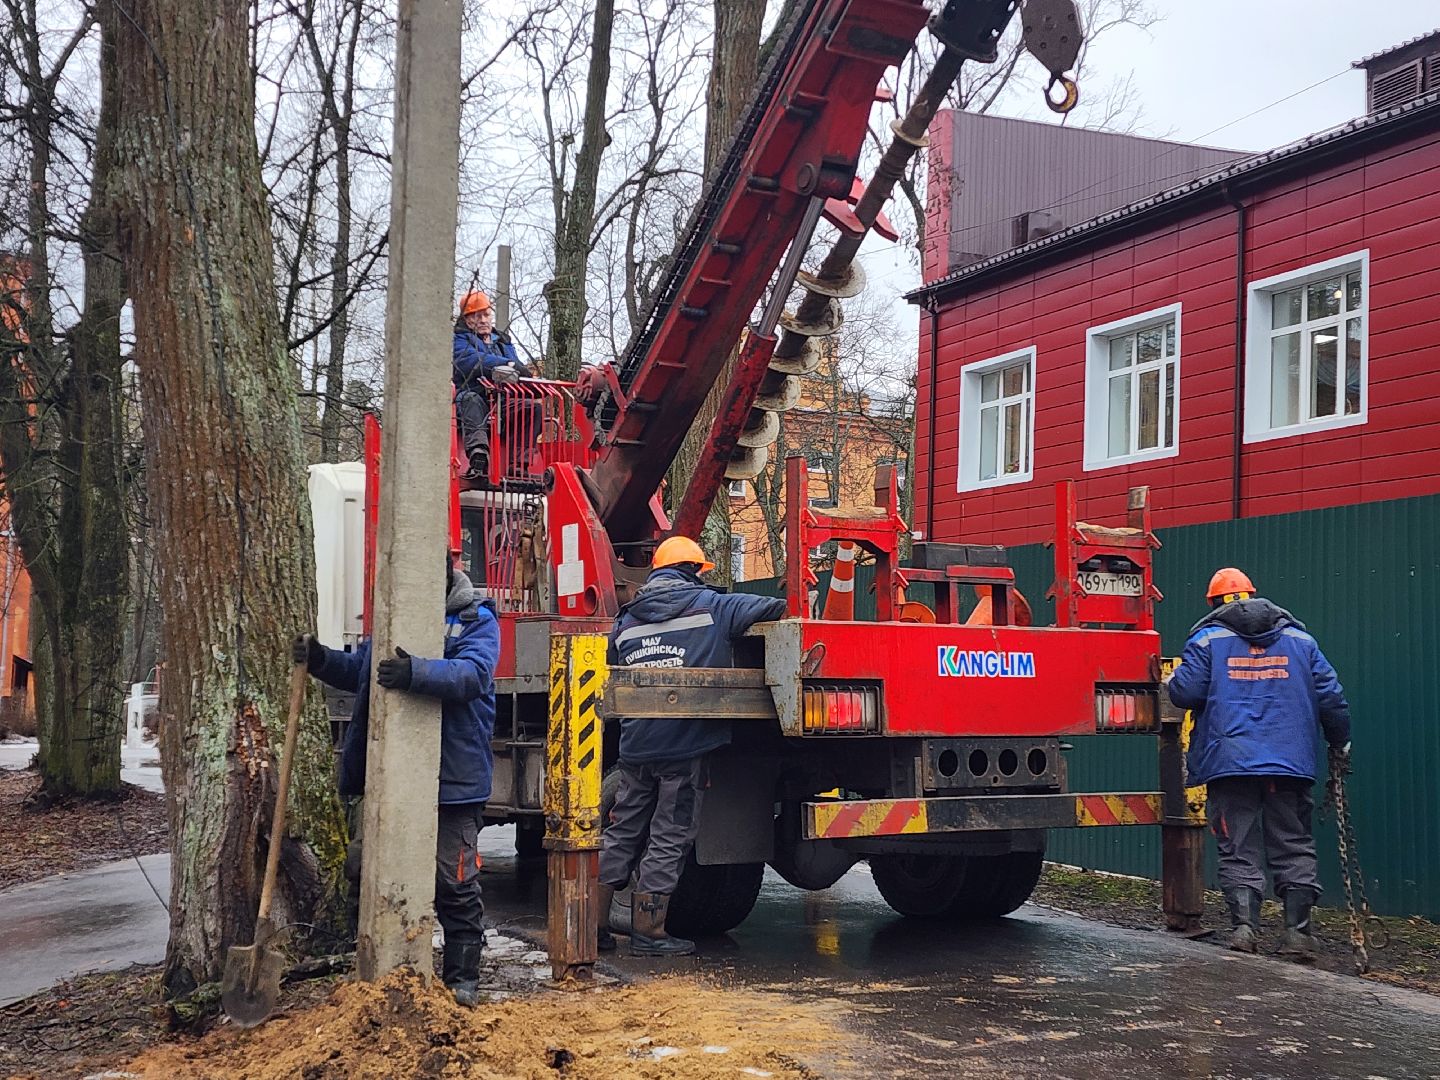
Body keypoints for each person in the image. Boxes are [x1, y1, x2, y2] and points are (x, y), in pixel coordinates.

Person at [295, 559, 499, 1004]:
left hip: (454, 780)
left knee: (454, 882)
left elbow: (473, 675)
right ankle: (366, 969)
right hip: (388, 778)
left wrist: (416, 674)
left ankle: (462, 980)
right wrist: (322, 661)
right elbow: (362, 670)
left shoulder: (476, 620)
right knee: (364, 871)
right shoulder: (390, 620)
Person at [596, 536, 787, 957]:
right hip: (682, 751)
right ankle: (649, 932)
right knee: (668, 836)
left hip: (635, 747)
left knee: (623, 831)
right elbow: (773, 608)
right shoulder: (715, 607)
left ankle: (596, 926)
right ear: (695, 570)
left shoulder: (626, 621)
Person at [1168, 567, 1351, 961]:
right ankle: (1298, 935)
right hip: (1289, 762)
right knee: (1293, 843)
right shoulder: (1302, 641)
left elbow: (1184, 692)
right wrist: (1339, 742)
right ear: (1254, 594)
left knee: (1238, 846)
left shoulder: (1207, 640)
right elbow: (1332, 697)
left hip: (1231, 763)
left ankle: (1245, 930)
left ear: (1214, 603)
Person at [452, 290, 529, 481]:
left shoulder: (502, 341)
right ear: (467, 319)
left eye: (486, 314)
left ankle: (519, 463)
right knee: (470, 400)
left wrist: (520, 371)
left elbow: (515, 366)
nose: (483, 320)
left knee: (529, 408)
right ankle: (479, 455)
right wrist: (506, 364)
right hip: (474, 394)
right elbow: (469, 361)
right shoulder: (459, 339)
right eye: (477, 316)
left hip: (502, 399)